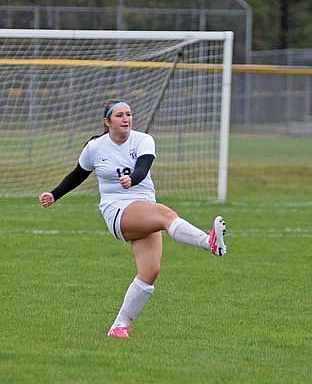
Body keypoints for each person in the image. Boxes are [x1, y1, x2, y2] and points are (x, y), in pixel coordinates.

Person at [39, 100, 227, 339]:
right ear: (107, 122)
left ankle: (119, 326)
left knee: (149, 272)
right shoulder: (95, 147)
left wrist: (134, 180)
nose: (126, 119)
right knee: (165, 215)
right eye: (119, 115)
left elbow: (143, 167)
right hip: (117, 210)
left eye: (128, 114)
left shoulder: (143, 140)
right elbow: (78, 174)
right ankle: (208, 241)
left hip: (143, 208)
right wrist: (54, 194)